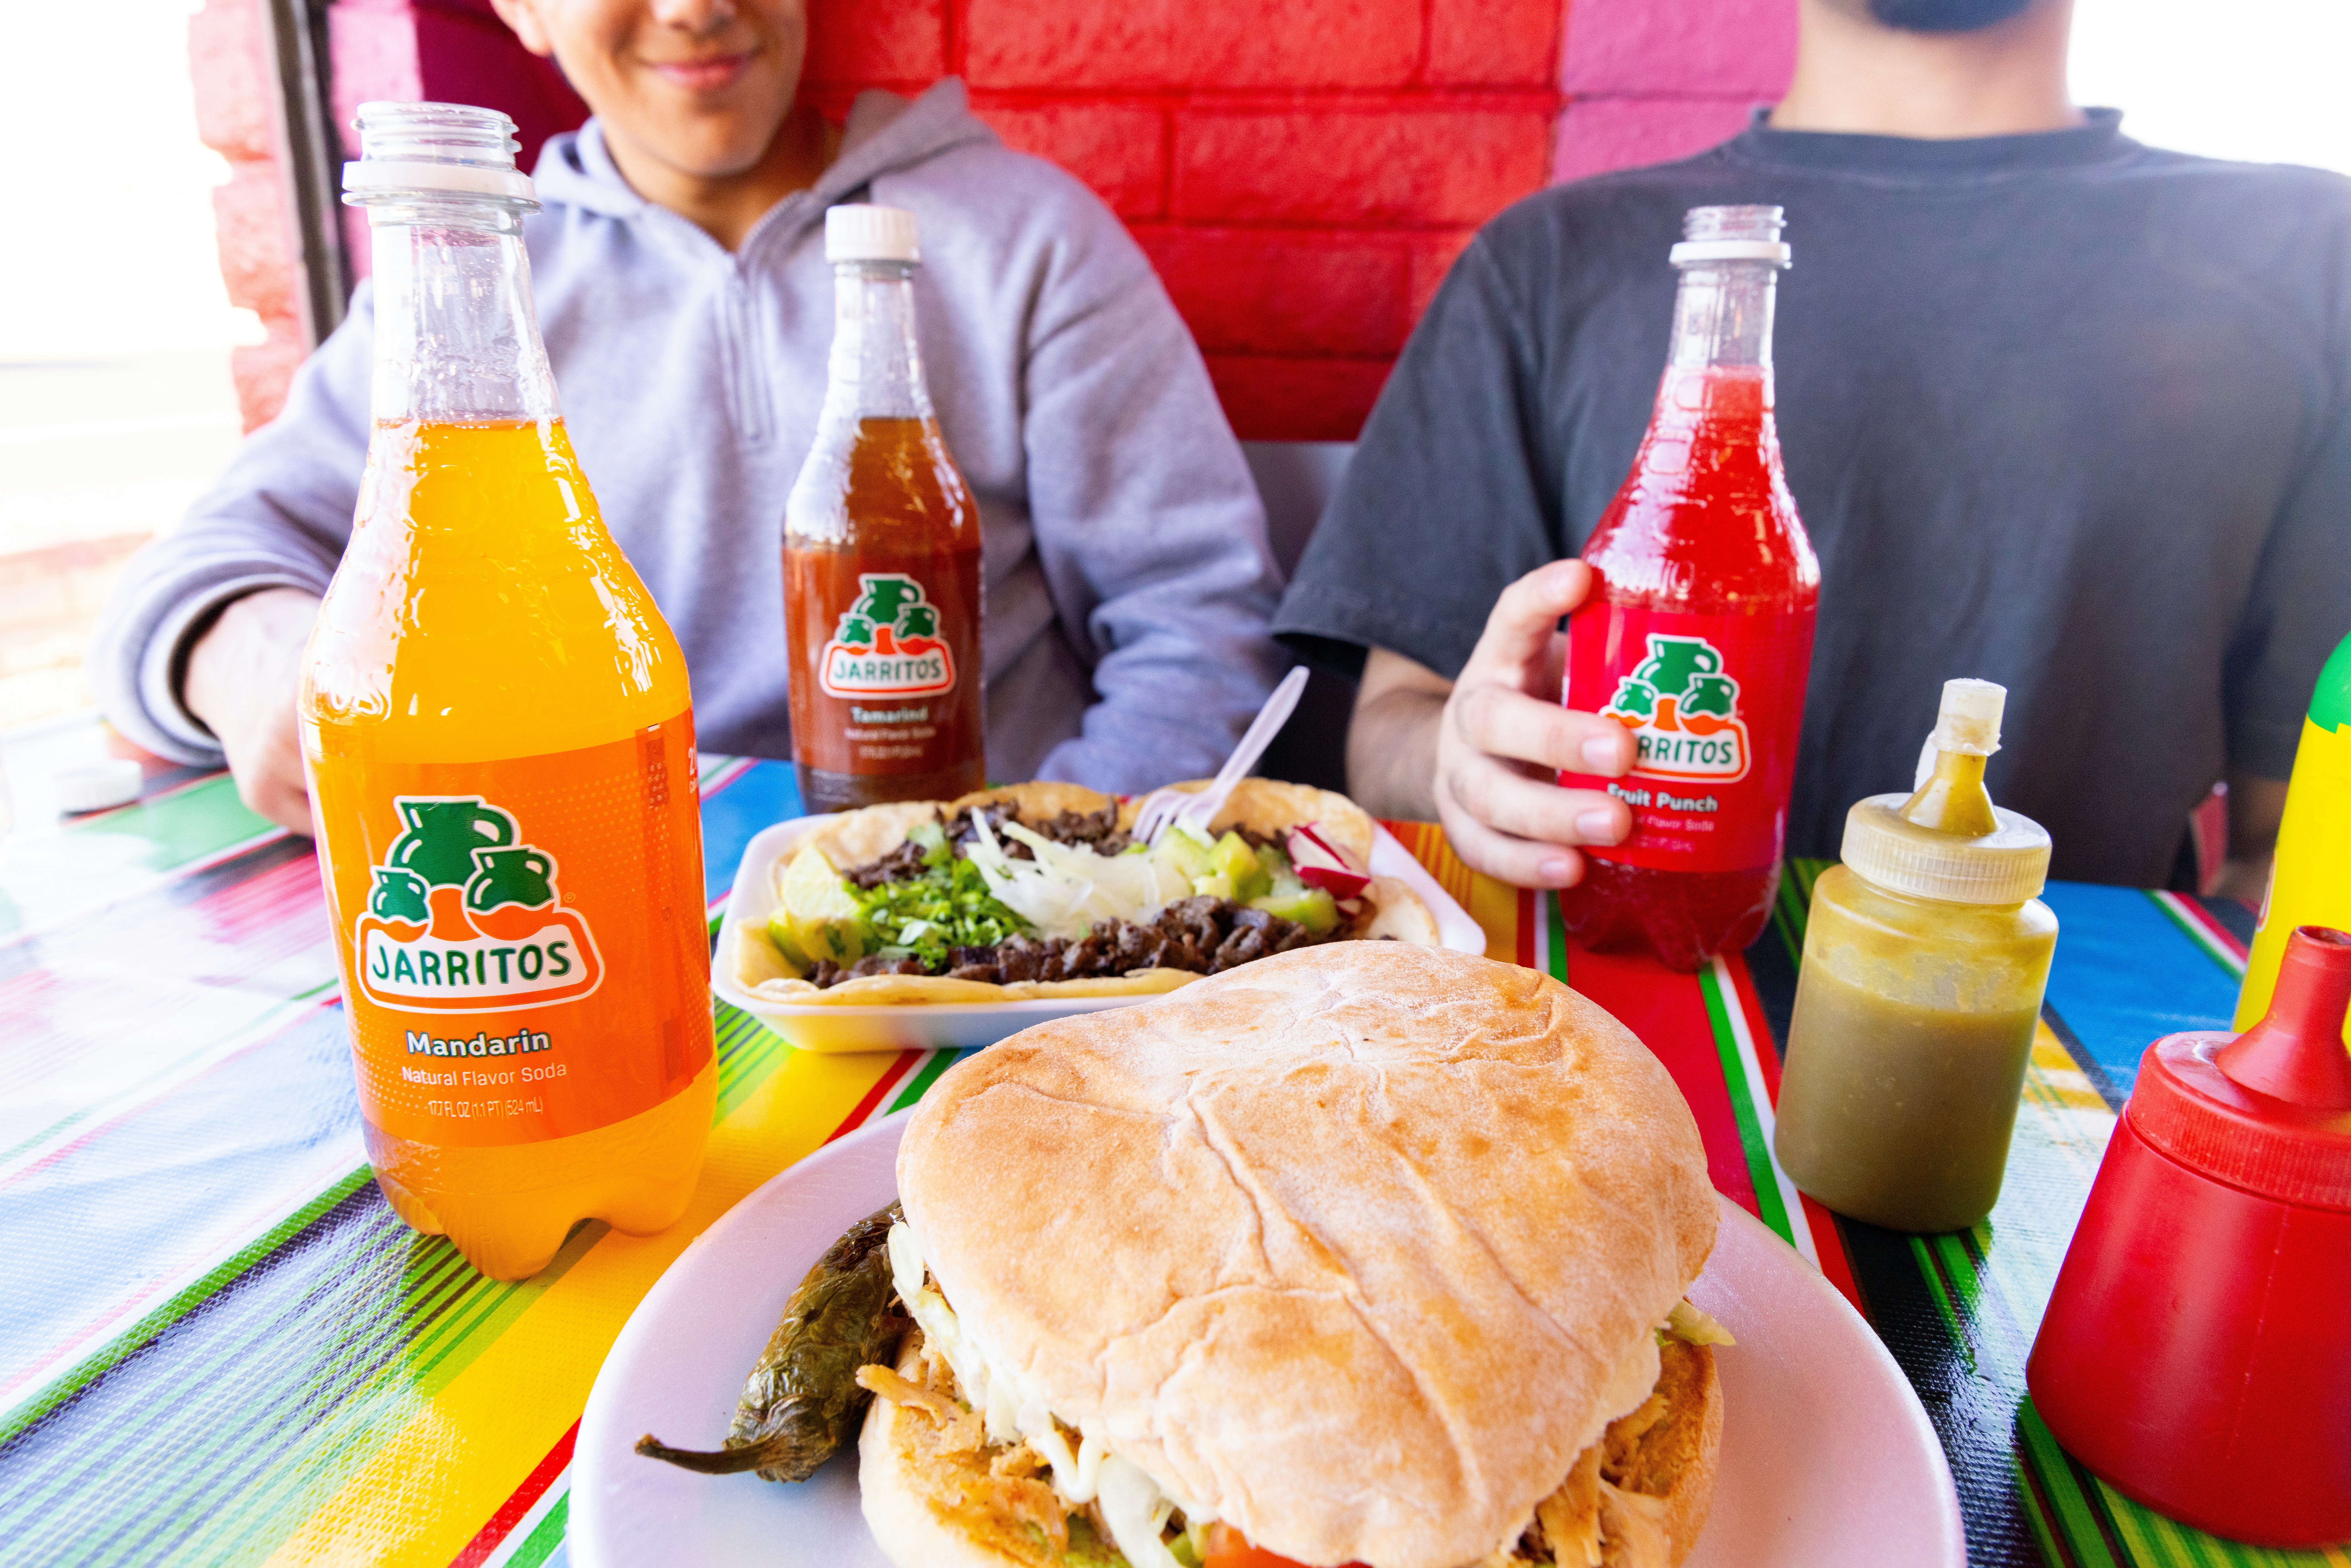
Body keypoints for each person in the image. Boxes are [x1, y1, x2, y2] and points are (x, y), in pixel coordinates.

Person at [91, 0, 1287, 835]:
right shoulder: (474, 295)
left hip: (997, 927)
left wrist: (1045, 865)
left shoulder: (1024, 235)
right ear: (519, 8)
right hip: (610, 919)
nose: (693, 6)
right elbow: (196, 574)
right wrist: (247, 654)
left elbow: (1201, 618)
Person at [1275, 0, 2351, 899]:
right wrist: (1463, 764)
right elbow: (1389, 736)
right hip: (1615, 1024)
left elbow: (2290, 844)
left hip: (2071, 1061)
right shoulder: (1547, 260)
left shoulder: (2314, 258)